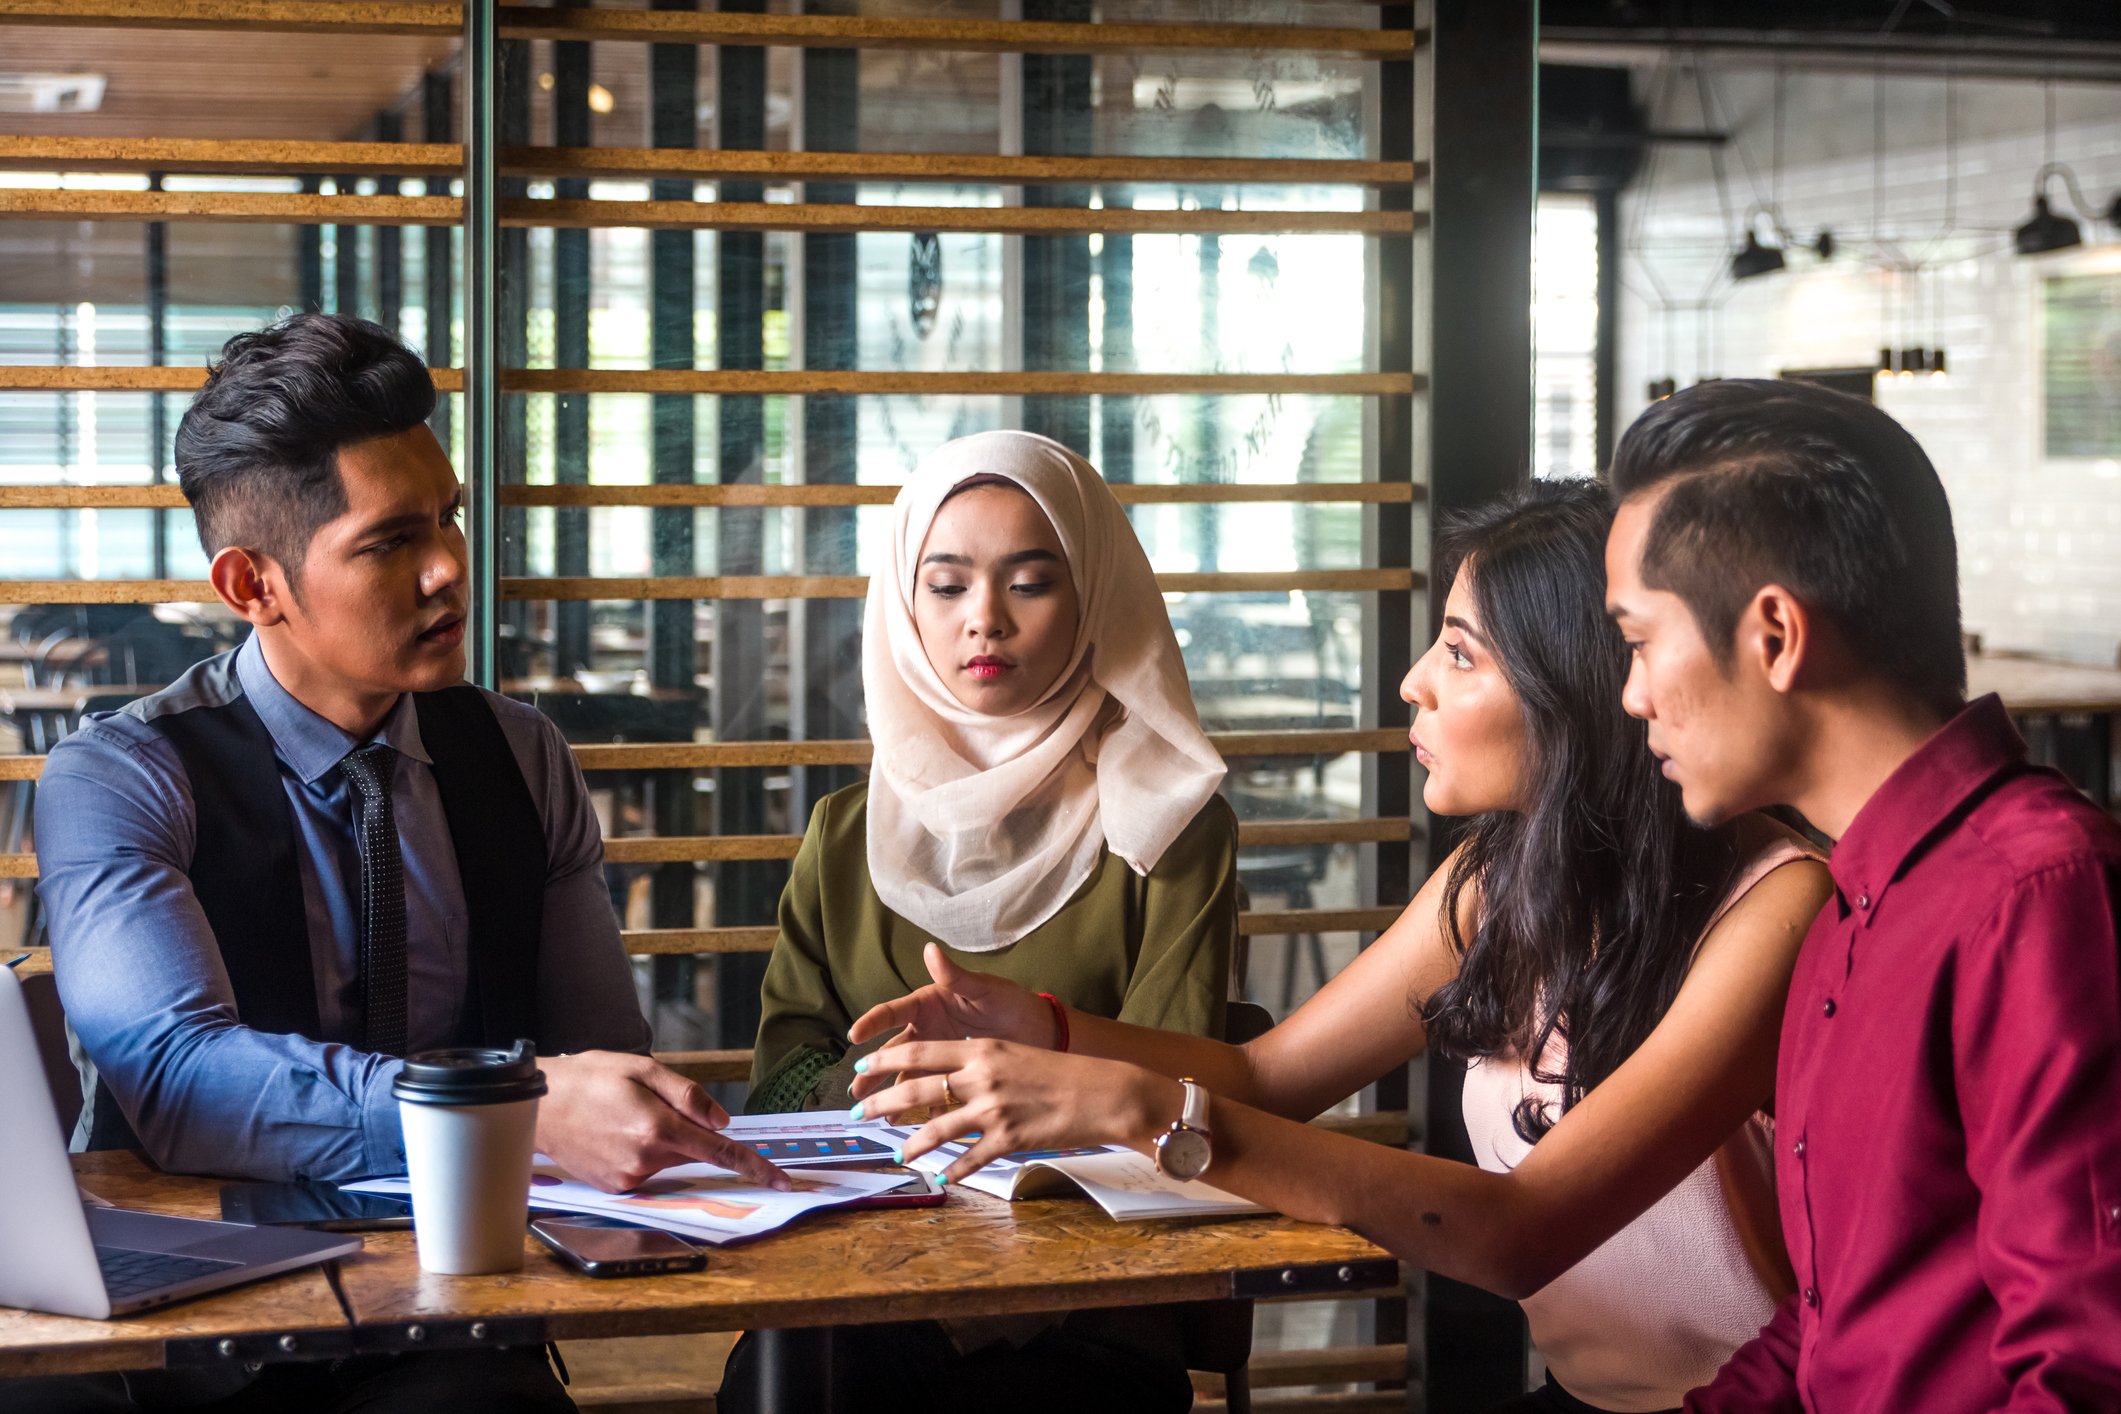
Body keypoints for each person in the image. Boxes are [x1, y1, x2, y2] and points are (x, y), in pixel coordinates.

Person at [850, 479, 1835, 1414]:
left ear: (1572, 685)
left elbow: (1524, 1232)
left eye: (1460, 654)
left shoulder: (1776, 905)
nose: (1413, 683)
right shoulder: (1495, 882)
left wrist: (1153, 1112)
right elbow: (1265, 1075)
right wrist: (1053, 1029)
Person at [22, 313, 784, 1414]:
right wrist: (497, 1110)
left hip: (457, 1303)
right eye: (389, 543)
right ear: (253, 586)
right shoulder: (126, 773)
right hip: (193, 1317)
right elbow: (180, 1081)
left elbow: (598, 1051)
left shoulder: (520, 755)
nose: (448, 568)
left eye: (450, 520)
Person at [1596, 378, 2121, 1411]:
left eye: (1640, 640)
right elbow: (1839, 1323)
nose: (1632, 694)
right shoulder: (1847, 908)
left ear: (1777, 635)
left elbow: (2088, 1369)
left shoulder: (2039, 897)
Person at [722, 430, 1237, 1414]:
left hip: (1096, 1294)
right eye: (948, 585)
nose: (984, 621)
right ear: (903, 607)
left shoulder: (1169, 826)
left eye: (1031, 582)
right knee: (804, 1378)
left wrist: (985, 1070)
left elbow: (1179, 1082)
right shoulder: (842, 835)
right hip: (862, 1277)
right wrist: (901, 1076)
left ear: (1096, 597)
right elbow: (778, 1092)